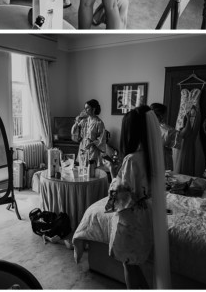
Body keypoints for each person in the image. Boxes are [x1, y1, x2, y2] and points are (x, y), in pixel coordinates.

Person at [103, 105, 164, 289]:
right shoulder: (152, 156)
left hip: (130, 222)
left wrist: (113, 174)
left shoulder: (131, 159)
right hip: (145, 218)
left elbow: (121, 196)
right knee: (137, 268)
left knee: (129, 268)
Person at [71, 100, 106, 170]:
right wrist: (77, 121)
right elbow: (74, 133)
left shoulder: (99, 123)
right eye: (85, 108)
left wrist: (91, 143)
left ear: (93, 109)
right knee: (82, 171)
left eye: (87, 108)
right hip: (83, 148)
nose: (85, 110)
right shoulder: (84, 121)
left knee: (91, 172)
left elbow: (101, 139)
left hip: (93, 151)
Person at [151, 103, 174, 171]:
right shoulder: (166, 129)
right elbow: (180, 138)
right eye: (165, 114)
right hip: (162, 157)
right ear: (162, 115)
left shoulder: (146, 126)